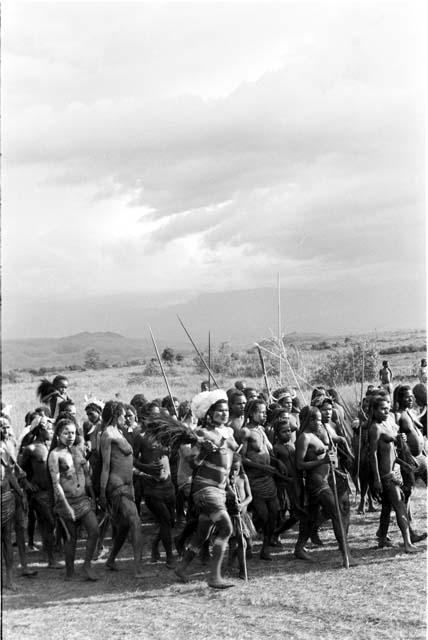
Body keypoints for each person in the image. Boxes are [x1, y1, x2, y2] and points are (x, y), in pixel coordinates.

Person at [174, 389, 239, 589]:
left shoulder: (228, 432)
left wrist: (231, 483)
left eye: (226, 410)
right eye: (219, 411)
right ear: (209, 414)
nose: (224, 414)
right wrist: (204, 452)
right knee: (226, 528)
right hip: (205, 490)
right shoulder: (202, 434)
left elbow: (231, 459)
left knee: (203, 532)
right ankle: (214, 577)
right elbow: (193, 463)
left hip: (220, 489)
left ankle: (181, 568)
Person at [294, 406, 357, 567]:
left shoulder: (315, 436)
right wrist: (322, 461)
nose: (320, 423)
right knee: (336, 513)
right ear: (309, 420)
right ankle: (346, 554)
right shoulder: (304, 438)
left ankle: (299, 548)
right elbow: (299, 464)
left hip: (324, 479)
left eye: (321, 420)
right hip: (316, 483)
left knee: (310, 517)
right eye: (317, 419)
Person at [47, 418, 99, 580]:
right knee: (71, 538)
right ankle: (70, 573)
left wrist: (93, 495)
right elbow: (56, 483)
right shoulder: (54, 455)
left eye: (73, 433)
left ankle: (87, 566)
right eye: (66, 433)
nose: (70, 436)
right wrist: (65, 505)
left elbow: (86, 476)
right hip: (66, 502)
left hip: (83, 499)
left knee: (94, 530)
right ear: (58, 434)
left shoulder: (78, 450)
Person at [99, 401, 144, 578]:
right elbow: (105, 466)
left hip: (128, 485)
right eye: (123, 414)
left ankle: (111, 560)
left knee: (124, 526)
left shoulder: (119, 432)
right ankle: (138, 570)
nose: (126, 417)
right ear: (115, 414)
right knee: (136, 523)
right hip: (116, 486)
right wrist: (102, 493)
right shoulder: (107, 435)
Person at [368, 396, 418, 553]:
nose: (386, 410)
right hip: (385, 474)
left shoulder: (388, 422)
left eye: (388, 407)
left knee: (387, 506)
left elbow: (395, 444)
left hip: (394, 470)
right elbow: (373, 455)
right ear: (374, 410)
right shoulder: (375, 428)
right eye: (382, 408)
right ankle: (408, 543)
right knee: (399, 505)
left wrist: (400, 438)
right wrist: (376, 478)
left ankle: (382, 538)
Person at [241, 399, 282, 560]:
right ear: (251, 413)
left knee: (274, 514)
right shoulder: (246, 432)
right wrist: (264, 468)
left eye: (265, 412)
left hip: (269, 480)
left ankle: (265, 548)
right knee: (263, 515)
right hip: (254, 481)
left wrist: (277, 462)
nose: (265, 415)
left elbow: (269, 452)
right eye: (261, 412)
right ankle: (247, 542)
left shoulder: (261, 429)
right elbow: (242, 458)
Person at [133, 420, 176, 567]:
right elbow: (131, 458)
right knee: (165, 520)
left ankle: (154, 544)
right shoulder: (141, 437)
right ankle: (170, 557)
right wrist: (145, 468)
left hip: (168, 485)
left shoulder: (166, 436)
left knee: (170, 521)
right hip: (152, 487)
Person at [19, 418, 58, 568]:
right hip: (39, 494)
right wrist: (27, 484)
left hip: (53, 492)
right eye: (48, 429)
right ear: (41, 430)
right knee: (49, 523)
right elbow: (19, 470)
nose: (51, 431)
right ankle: (51, 559)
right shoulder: (31, 449)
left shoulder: (52, 447)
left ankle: (48, 555)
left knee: (49, 524)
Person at [226, 453, 254, 579]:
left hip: (243, 516)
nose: (233, 472)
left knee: (247, 545)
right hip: (231, 518)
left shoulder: (243, 477)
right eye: (231, 469)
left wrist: (242, 504)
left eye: (236, 469)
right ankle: (242, 571)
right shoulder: (224, 481)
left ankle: (230, 564)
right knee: (238, 544)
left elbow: (250, 496)